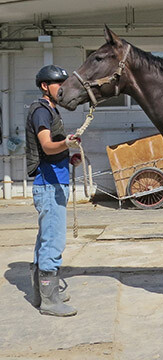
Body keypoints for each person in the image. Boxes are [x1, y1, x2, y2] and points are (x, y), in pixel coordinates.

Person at [25, 65, 82, 317]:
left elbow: (52, 152)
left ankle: (42, 293)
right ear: (44, 86)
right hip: (49, 186)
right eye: (58, 83)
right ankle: (49, 301)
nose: (63, 87)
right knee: (53, 241)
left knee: (44, 239)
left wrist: (69, 156)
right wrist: (66, 143)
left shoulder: (49, 110)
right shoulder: (41, 111)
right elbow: (47, 146)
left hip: (53, 181)